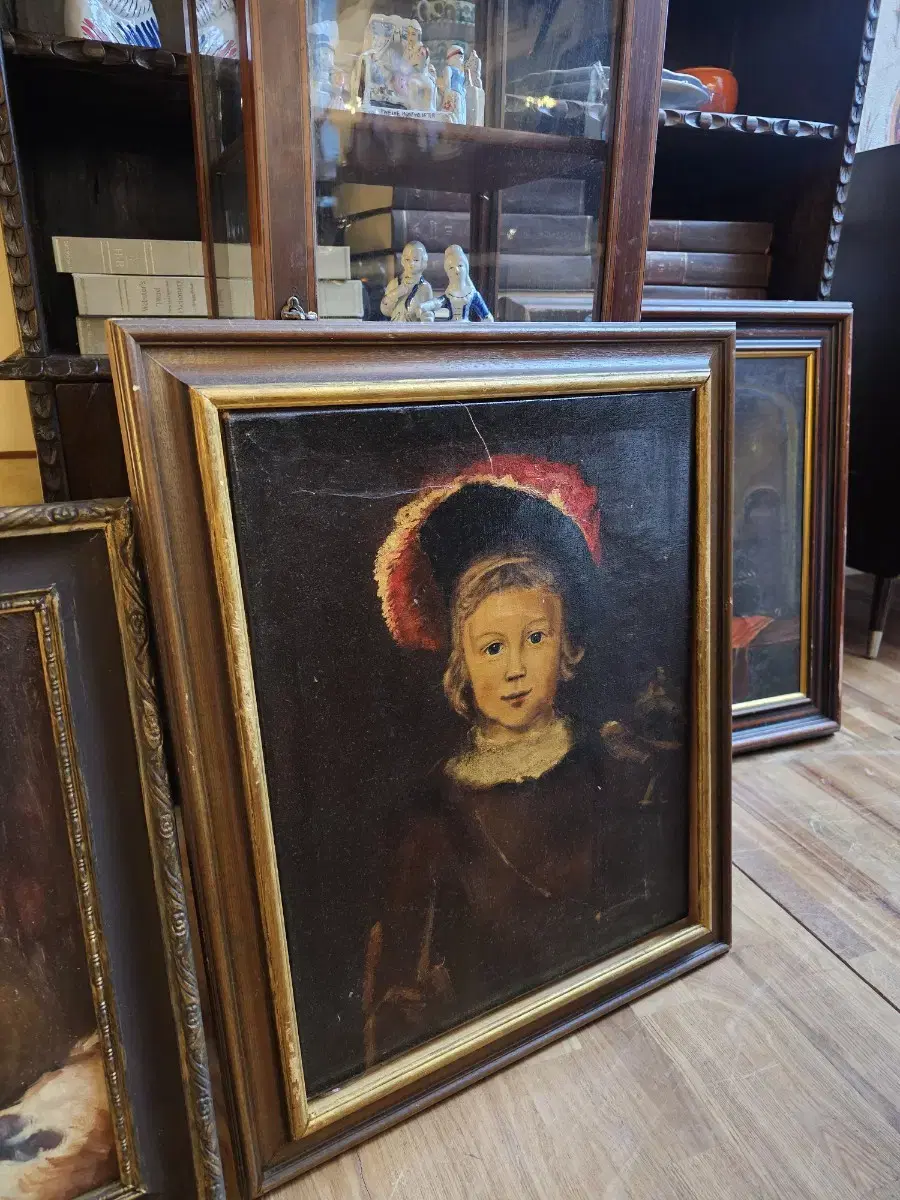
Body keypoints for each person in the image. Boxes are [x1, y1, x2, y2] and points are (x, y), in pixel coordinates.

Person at [363, 455, 684, 1067]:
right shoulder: (432, 818)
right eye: (491, 647)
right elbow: (400, 999)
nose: (514, 668)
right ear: (460, 665)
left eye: (535, 638)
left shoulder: (615, 766)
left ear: (566, 647)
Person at [419, 245, 493, 322]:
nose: (457, 270)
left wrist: (487, 322)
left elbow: (487, 316)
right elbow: (436, 303)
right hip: (451, 327)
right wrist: (423, 307)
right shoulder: (449, 295)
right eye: (451, 268)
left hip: (466, 327)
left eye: (460, 266)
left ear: (466, 268)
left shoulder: (473, 295)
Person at [380, 241, 434, 321]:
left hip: (415, 327)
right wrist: (394, 295)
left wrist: (427, 316)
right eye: (407, 259)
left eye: (416, 260)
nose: (411, 263)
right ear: (402, 261)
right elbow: (385, 311)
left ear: (423, 262)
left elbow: (430, 310)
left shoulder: (425, 287)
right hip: (396, 326)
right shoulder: (394, 284)